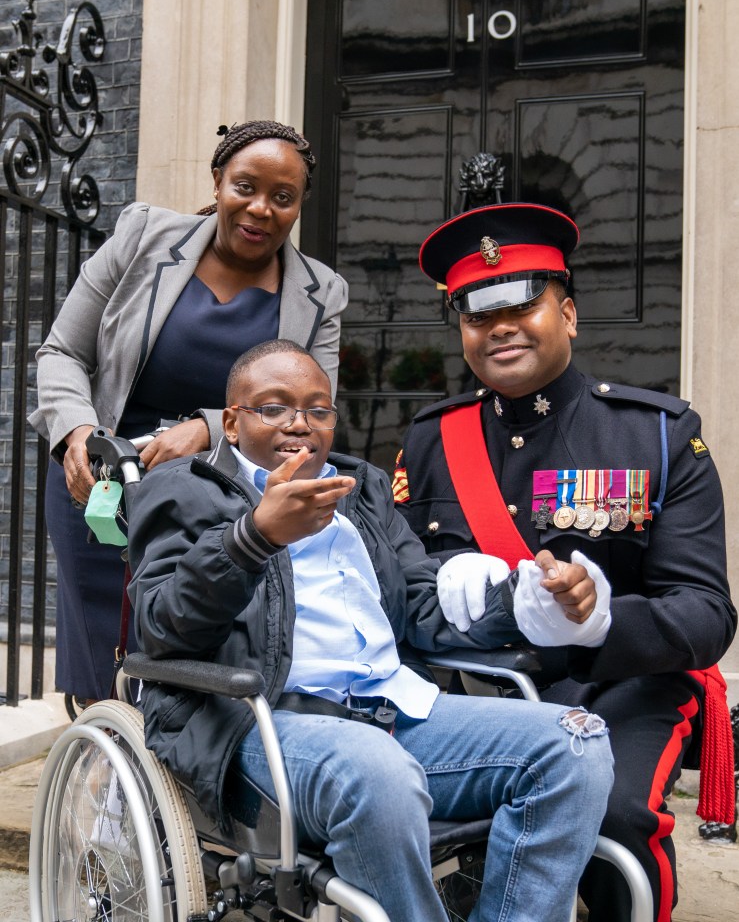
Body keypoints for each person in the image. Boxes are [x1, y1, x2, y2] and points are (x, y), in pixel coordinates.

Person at [127, 339, 614, 922]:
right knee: (376, 771)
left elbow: (420, 606)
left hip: (389, 710)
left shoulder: (363, 491)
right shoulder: (181, 488)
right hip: (257, 724)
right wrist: (254, 536)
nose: (299, 425)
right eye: (274, 408)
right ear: (231, 423)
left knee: (573, 741)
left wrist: (530, 599)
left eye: (317, 410)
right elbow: (160, 627)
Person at [393, 203, 738, 922]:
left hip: (623, 687)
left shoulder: (659, 436)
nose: (500, 329)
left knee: (612, 815)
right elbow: (403, 582)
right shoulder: (430, 440)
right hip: (478, 692)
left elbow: (705, 616)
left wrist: (593, 622)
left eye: (523, 306)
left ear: (570, 314)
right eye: (477, 316)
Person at [28, 121, 349, 704]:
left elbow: (314, 408)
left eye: (283, 197)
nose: (260, 209)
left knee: (188, 672)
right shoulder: (143, 236)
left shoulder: (320, 293)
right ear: (218, 181)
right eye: (245, 187)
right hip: (101, 485)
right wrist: (77, 433)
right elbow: (62, 352)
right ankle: (97, 784)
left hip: (218, 505)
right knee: (102, 671)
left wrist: (205, 427)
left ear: (300, 205)